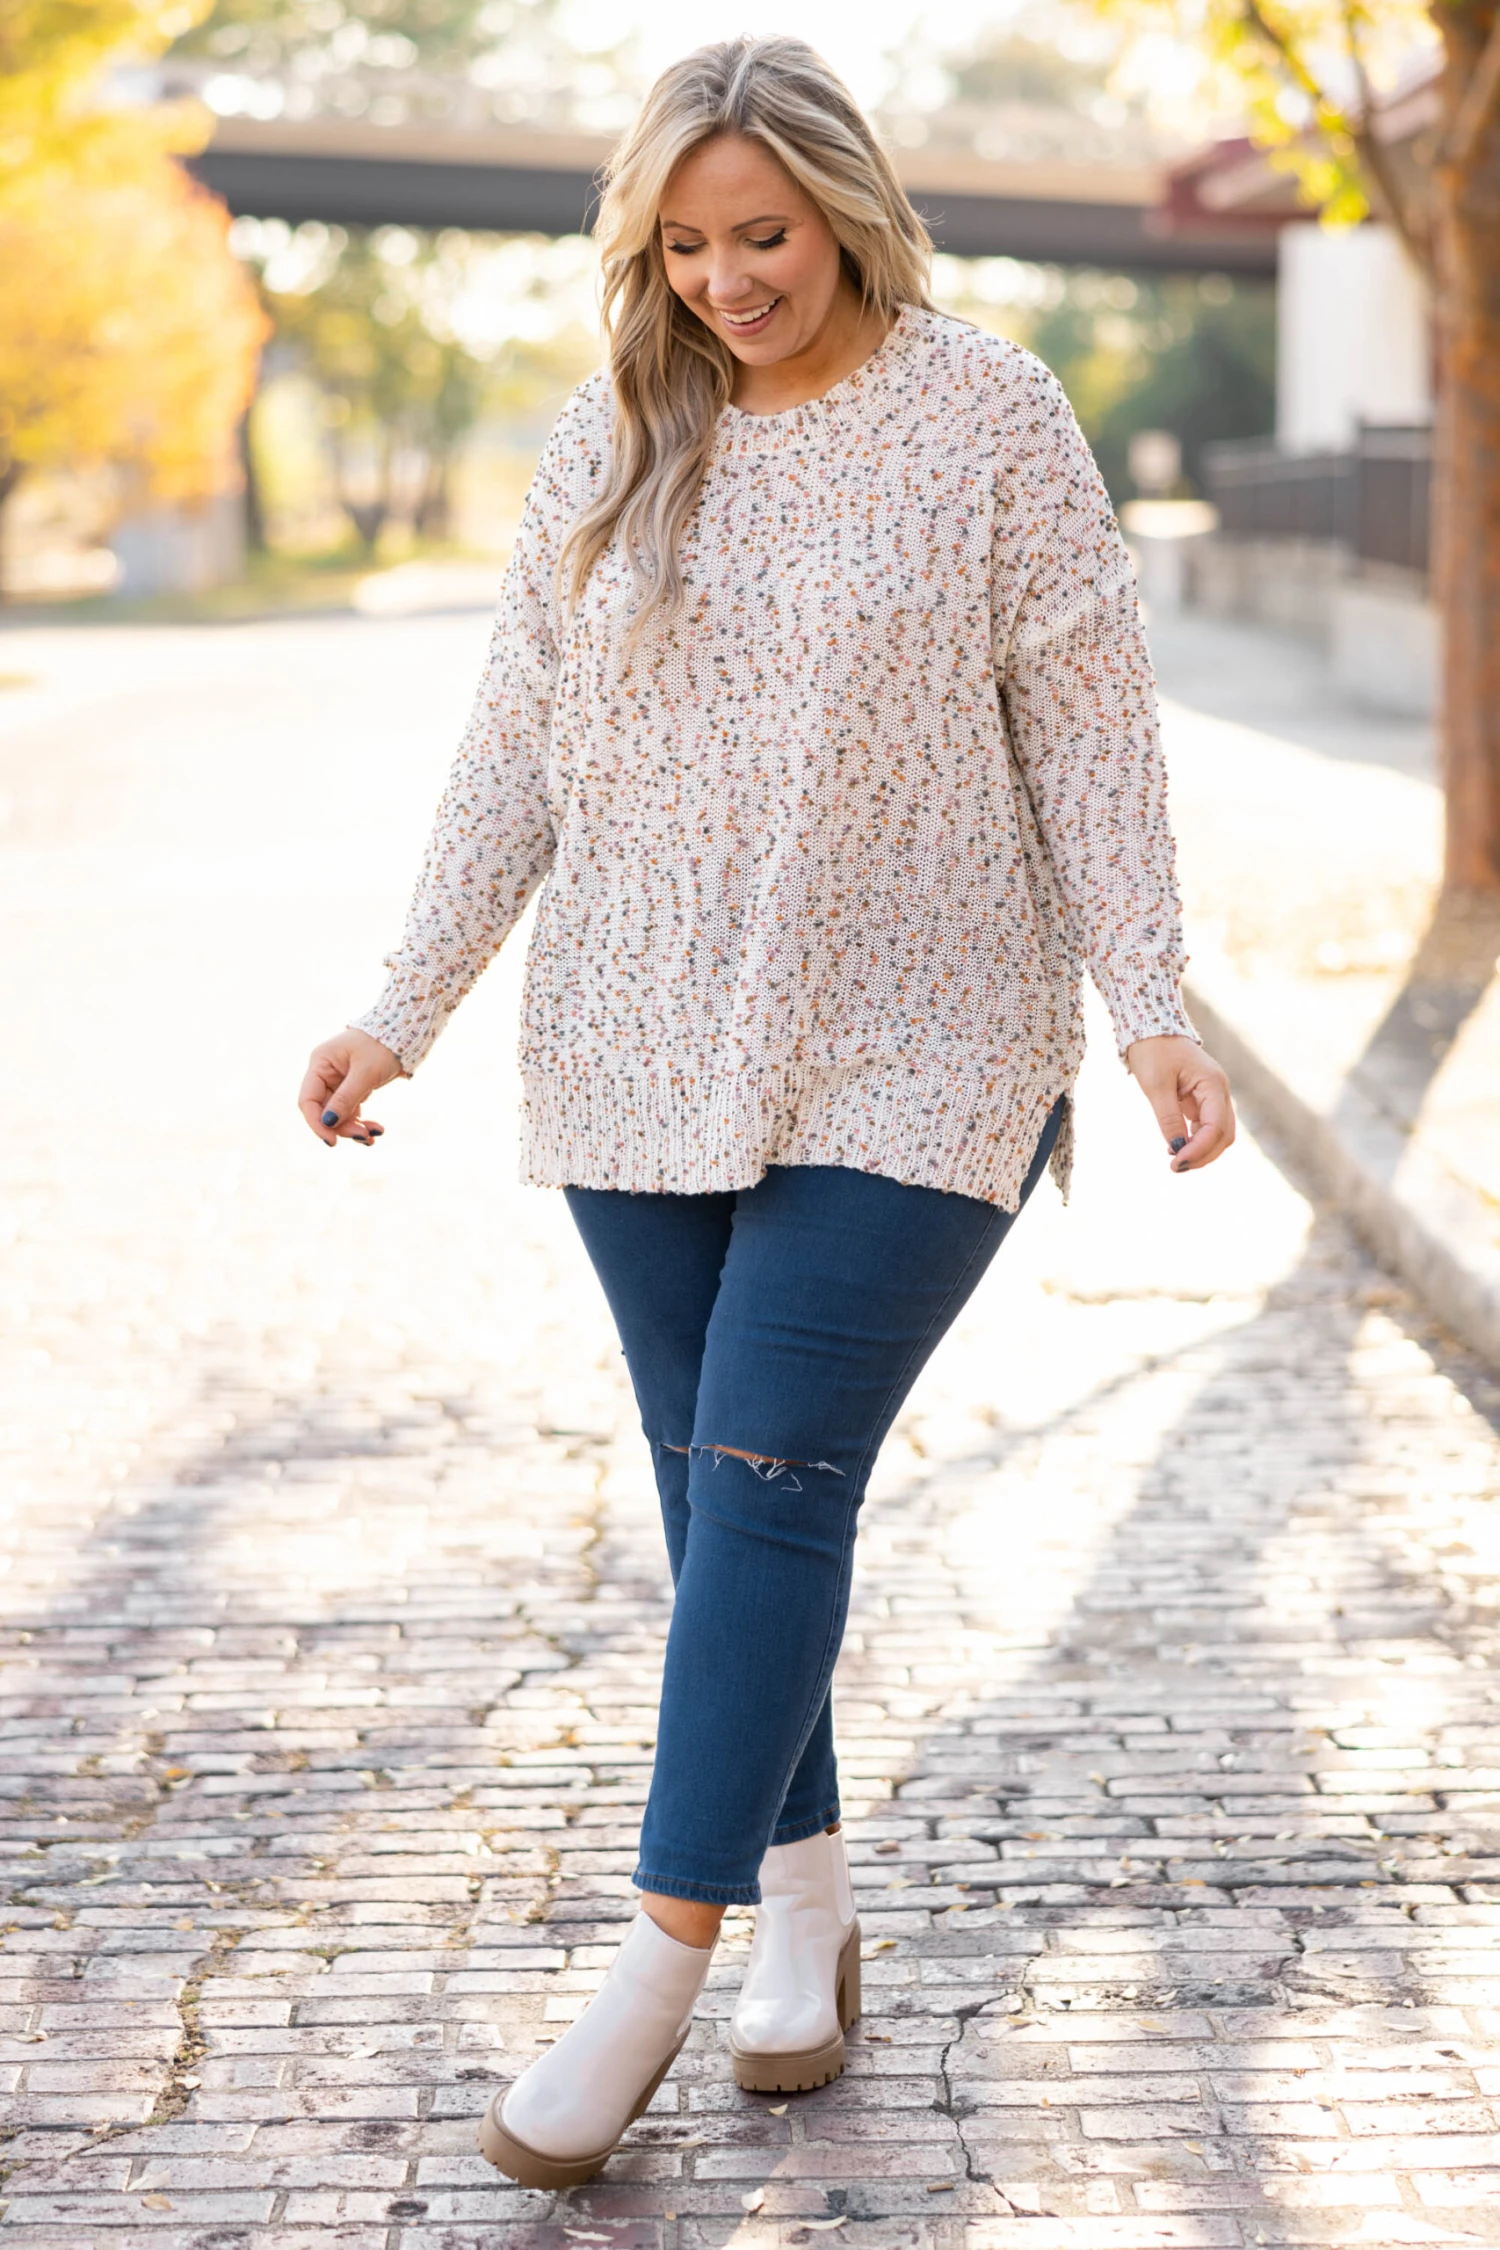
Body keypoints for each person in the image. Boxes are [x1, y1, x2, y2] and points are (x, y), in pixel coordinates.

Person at [297, 32, 1235, 2191]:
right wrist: (401, 1004)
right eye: (686, 245)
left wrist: (1150, 1006)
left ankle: (652, 1973)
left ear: (849, 211)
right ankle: (806, 1917)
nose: (728, 280)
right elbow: (513, 748)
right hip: (634, 1037)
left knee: (773, 1473)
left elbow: (1094, 727)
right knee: (725, 1501)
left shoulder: (990, 415)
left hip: (923, 1038)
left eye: (766, 234)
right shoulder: (610, 437)